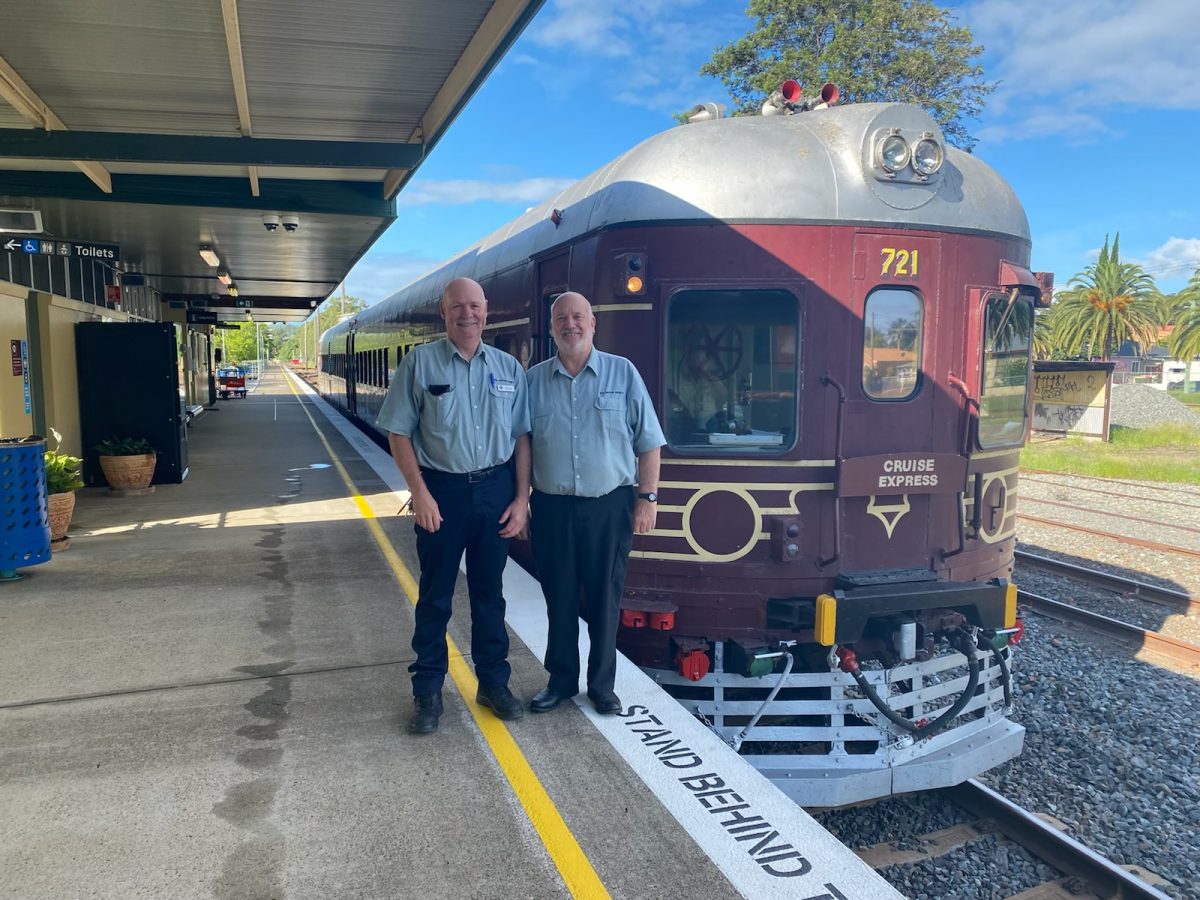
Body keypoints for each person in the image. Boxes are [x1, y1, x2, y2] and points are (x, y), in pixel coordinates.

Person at [376, 277, 531, 734]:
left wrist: (522, 499)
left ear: (487, 311)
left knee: (490, 595)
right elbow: (398, 431)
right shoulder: (419, 364)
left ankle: (493, 683)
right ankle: (427, 693)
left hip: (496, 491)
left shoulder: (508, 369)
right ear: (443, 313)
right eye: (457, 306)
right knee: (435, 597)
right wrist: (419, 493)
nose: (467, 314)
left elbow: (522, 438)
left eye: (475, 306)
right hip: (440, 493)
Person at [526, 292, 666, 715]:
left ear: (593, 322)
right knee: (559, 598)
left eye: (578, 317)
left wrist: (648, 498)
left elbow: (649, 442)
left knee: (606, 598)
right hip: (552, 507)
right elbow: (522, 446)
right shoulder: (533, 380)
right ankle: (561, 681)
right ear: (551, 327)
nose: (571, 324)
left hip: (610, 506)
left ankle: (602, 686)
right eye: (561, 318)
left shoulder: (623, 373)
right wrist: (521, 499)